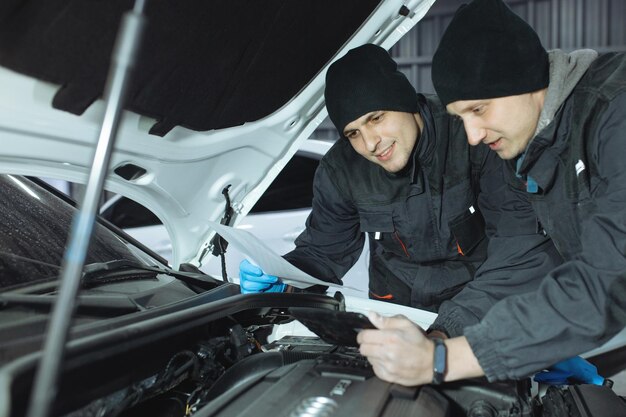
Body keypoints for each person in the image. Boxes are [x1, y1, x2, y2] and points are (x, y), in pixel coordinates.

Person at [357, 0, 626, 387]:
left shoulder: (614, 112)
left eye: (479, 110)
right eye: (460, 118)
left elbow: (611, 276)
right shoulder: (536, 146)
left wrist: (448, 361)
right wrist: (442, 335)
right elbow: (521, 261)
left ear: (524, 80)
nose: (473, 136)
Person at [239, 43, 559, 316]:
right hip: (396, 313)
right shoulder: (341, 170)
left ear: (404, 102)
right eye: (353, 133)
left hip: (480, 308)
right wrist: (284, 278)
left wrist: (466, 329)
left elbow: (517, 241)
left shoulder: (471, 137)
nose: (370, 143)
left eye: (375, 119)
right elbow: (324, 253)